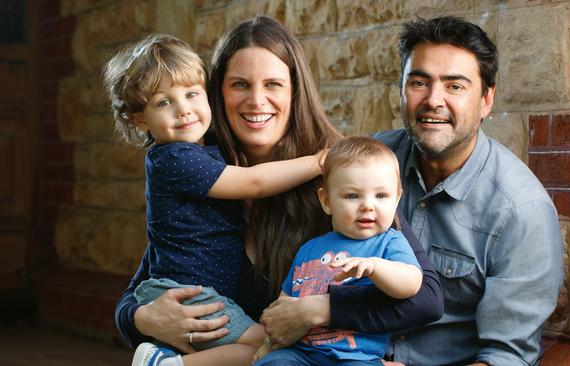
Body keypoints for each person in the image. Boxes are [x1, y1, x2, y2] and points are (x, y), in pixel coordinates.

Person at [114, 15, 443, 365]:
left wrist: (321, 310)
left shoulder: (339, 173)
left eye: (273, 84)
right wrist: (143, 319)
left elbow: (426, 299)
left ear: (294, 91)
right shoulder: (197, 171)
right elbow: (138, 290)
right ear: (217, 92)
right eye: (240, 84)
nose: (257, 100)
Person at [103, 34, 328, 366]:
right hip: (194, 296)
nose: (184, 111)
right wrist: (319, 162)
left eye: (192, 94)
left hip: (201, 295)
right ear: (139, 118)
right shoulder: (177, 158)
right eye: (164, 102)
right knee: (270, 345)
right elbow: (254, 182)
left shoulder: (205, 152)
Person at [370, 16, 563, 365]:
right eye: (419, 82)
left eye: (455, 86)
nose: (433, 100)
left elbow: (506, 356)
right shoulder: (369, 164)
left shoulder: (521, 210)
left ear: (486, 100)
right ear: (401, 89)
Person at [254, 136, 424, 365]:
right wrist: (269, 344)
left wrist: (375, 267)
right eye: (352, 195)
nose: (367, 205)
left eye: (381, 195)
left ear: (396, 199)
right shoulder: (310, 248)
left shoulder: (389, 242)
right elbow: (285, 305)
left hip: (355, 357)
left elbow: (411, 282)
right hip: (303, 355)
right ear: (326, 201)